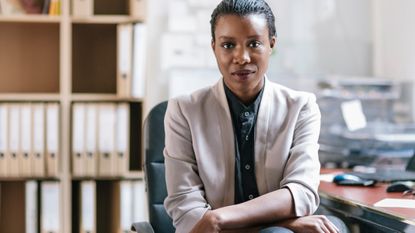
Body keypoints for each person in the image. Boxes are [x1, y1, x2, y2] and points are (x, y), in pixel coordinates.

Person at [163, 0, 346, 232]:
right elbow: (188, 214)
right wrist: (285, 222)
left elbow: (302, 193)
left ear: (271, 45)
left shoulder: (301, 107)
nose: (242, 57)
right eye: (228, 45)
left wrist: (218, 219)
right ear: (214, 48)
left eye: (254, 43)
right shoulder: (184, 110)